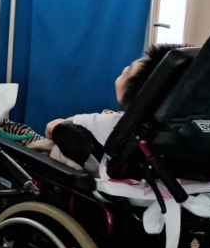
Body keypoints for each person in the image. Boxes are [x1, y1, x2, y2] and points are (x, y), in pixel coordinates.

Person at [45, 43, 181, 171]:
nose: (124, 69)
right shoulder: (182, 132)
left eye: (128, 72)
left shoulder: (114, 123)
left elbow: (52, 127)